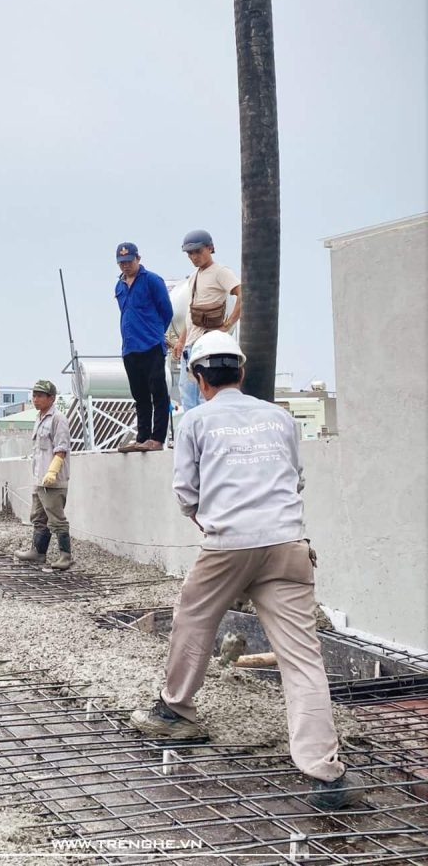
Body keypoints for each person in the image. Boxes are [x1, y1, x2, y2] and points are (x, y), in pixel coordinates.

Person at [129, 332, 363, 812]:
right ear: (241, 372)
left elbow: (185, 495)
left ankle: (175, 710)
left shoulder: (194, 420)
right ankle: (326, 773)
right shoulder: (279, 417)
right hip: (287, 544)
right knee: (301, 659)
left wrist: (217, 525)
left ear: (199, 378)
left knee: (193, 621)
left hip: (227, 544)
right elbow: (294, 478)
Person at [114, 242, 174, 452]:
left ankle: (157, 438)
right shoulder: (119, 286)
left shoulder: (152, 281)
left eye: (129, 261)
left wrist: (156, 333)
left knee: (158, 392)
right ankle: (142, 437)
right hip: (130, 348)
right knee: (139, 395)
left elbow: (166, 311)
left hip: (151, 344)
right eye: (122, 263)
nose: (126, 266)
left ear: (138, 258)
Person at [172, 230, 242, 412]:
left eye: (198, 251)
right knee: (188, 395)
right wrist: (181, 341)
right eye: (190, 253)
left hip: (208, 345)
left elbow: (242, 293)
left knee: (207, 395)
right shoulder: (194, 277)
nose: (194, 257)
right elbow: (190, 313)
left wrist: (228, 325)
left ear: (210, 248)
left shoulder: (220, 272)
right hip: (191, 345)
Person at [14, 380, 73, 570]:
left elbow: (61, 449)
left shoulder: (58, 419)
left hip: (53, 481)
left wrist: (52, 471)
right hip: (39, 479)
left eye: (40, 396)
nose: (35, 399)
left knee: (56, 518)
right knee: (38, 517)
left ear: (51, 398)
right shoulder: (39, 418)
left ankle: (66, 556)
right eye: (34, 395)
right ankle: (38, 552)